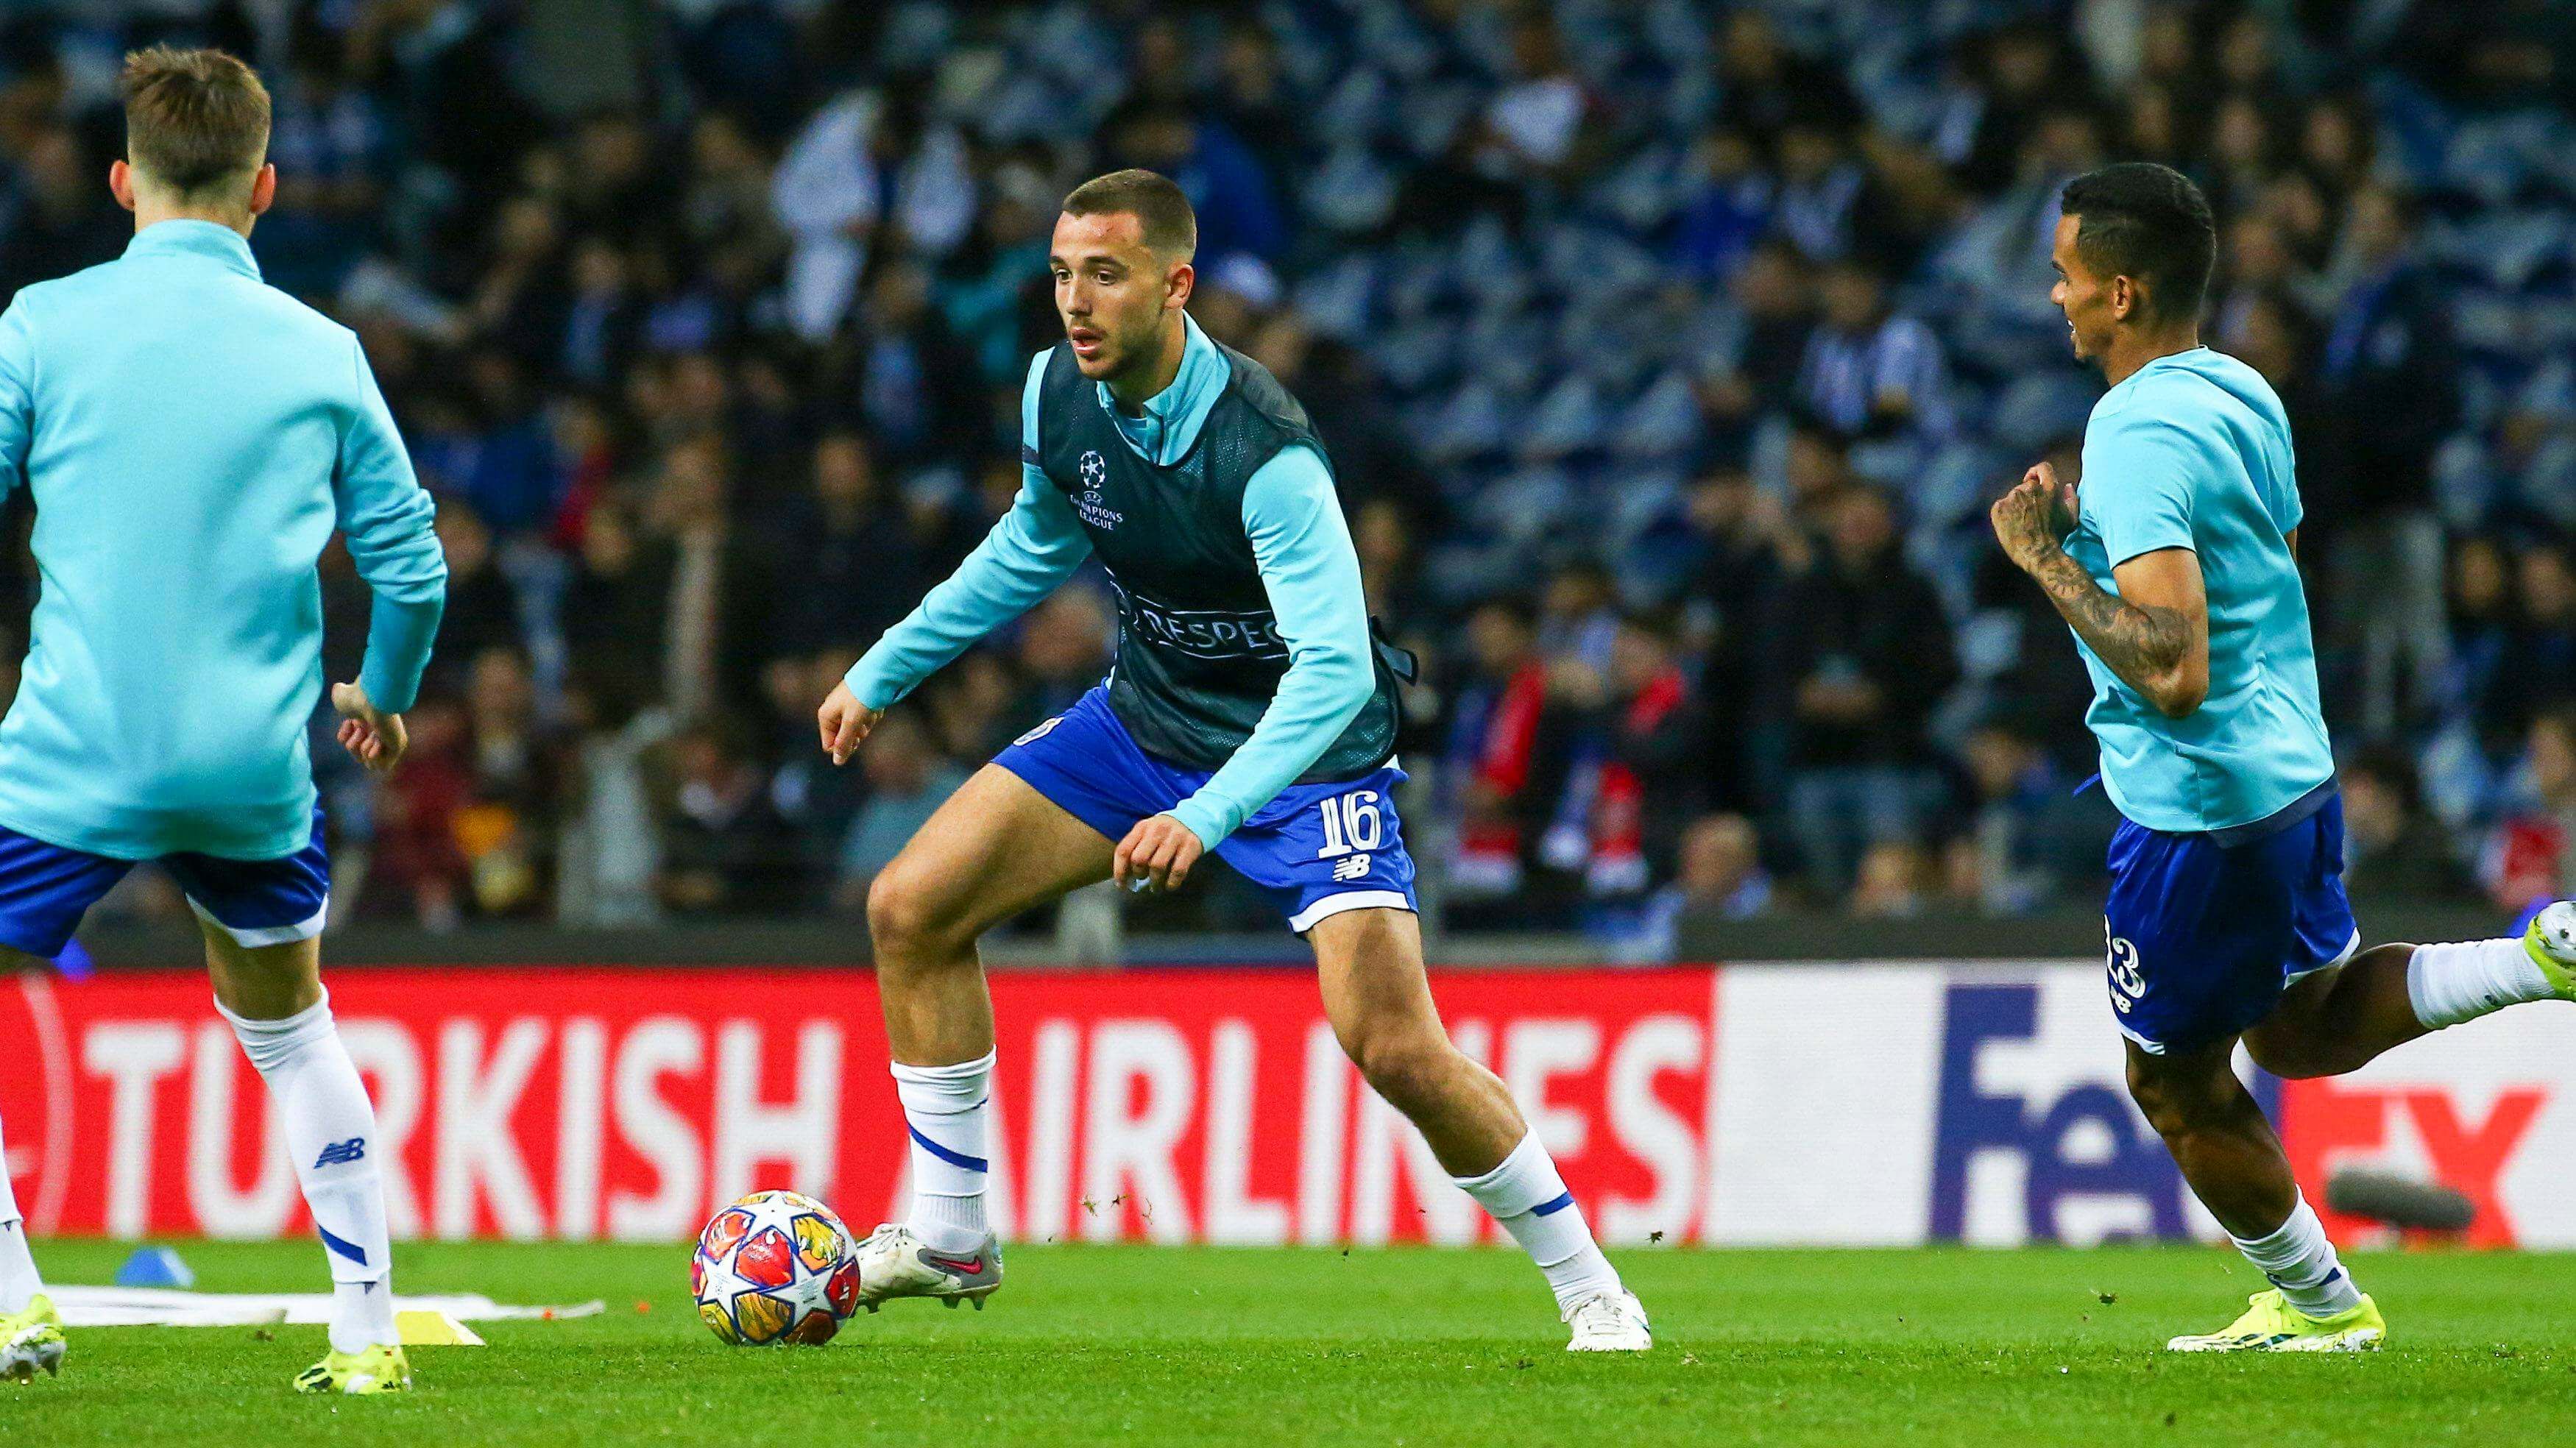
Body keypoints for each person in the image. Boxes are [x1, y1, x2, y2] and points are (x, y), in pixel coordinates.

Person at [815, 170, 1651, 1352]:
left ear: (1177, 284)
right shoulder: (1059, 390)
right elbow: (1034, 543)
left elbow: (1333, 675)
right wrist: (885, 669)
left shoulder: (1267, 452)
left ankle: (1593, 1289)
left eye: (1104, 274)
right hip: (1144, 725)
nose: (1075, 303)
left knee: (1394, 1045)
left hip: (1306, 766)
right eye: (1061, 274)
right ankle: (951, 1236)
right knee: (912, 905)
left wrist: (1209, 816)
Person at [1989, 162, 2575, 1355]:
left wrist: (2044, 559)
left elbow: (2170, 665)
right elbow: (2282, 548)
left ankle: (2322, 1310)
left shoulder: (2136, 428)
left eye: (2066, 276)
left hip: (2200, 804)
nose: (2055, 297)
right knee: (2298, 1029)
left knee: (2175, 1085)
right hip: (2291, 771)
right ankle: (2540, 956)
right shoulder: (2242, 390)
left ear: (2123, 290)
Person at [0, 49, 445, 1394]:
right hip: (252, 768)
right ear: (265, 186)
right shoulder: (322, 350)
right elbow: (411, 564)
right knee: (292, 1026)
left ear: (124, 180)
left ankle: (16, 1308)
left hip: (74, 755)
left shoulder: (40, 323)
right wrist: (386, 693)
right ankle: (367, 1339)